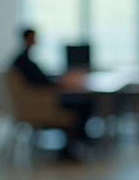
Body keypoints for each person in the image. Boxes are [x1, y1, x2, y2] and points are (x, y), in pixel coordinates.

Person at [12, 28, 94, 158]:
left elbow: (39, 80)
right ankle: (78, 140)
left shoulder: (22, 59)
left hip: (40, 99)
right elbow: (41, 83)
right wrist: (59, 84)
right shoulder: (25, 61)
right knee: (84, 104)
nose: (35, 41)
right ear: (27, 39)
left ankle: (80, 139)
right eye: (33, 37)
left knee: (80, 102)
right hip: (42, 102)